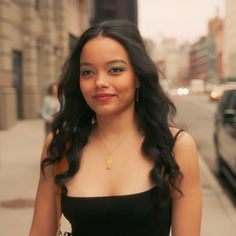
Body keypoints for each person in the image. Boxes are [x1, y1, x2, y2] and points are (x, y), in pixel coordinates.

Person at [29, 20, 202, 236]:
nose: (100, 82)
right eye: (87, 72)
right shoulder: (60, 146)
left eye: (115, 69)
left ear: (138, 76)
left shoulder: (176, 147)